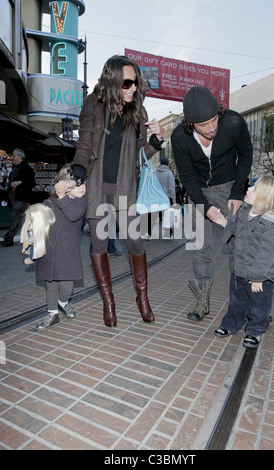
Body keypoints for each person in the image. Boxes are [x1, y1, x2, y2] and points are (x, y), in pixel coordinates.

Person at [70, 55, 165, 328]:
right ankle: (108, 302)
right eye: (126, 83)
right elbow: (85, 141)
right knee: (99, 243)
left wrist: (156, 143)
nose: (132, 88)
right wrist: (78, 168)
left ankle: (142, 298)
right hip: (98, 185)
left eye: (135, 82)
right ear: (112, 80)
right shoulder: (93, 105)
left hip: (125, 186)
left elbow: (140, 155)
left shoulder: (139, 111)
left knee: (134, 242)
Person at [171, 86, 253, 322]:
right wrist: (205, 206)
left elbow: (245, 155)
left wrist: (238, 192)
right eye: (204, 124)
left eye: (214, 119)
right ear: (190, 124)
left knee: (238, 247)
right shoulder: (179, 137)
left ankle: (243, 304)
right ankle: (202, 302)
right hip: (198, 193)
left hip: (229, 188)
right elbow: (186, 176)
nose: (212, 127)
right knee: (199, 248)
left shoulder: (234, 122)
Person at [213, 175, 274, 348]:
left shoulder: (271, 225)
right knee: (237, 301)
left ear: (266, 199)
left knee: (258, 305)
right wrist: (224, 222)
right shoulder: (245, 211)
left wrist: (258, 278)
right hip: (240, 269)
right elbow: (236, 228)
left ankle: (255, 329)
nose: (248, 189)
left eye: (254, 189)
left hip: (260, 276)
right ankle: (231, 324)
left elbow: (267, 254)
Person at [35, 165, 86, 330]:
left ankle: (63, 303)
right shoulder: (50, 202)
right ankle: (52, 314)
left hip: (67, 253)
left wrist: (63, 196)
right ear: (61, 185)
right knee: (51, 284)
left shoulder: (80, 202)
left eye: (83, 184)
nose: (82, 187)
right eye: (76, 184)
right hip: (49, 251)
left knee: (66, 286)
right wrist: (32, 225)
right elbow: (40, 219)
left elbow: (72, 215)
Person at [0, 148, 36, 247]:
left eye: (13, 155)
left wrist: (20, 182)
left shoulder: (25, 168)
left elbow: (32, 182)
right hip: (15, 196)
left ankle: (9, 238)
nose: (11, 157)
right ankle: (32, 236)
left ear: (20, 156)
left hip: (21, 197)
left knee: (15, 217)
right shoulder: (15, 167)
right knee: (21, 219)